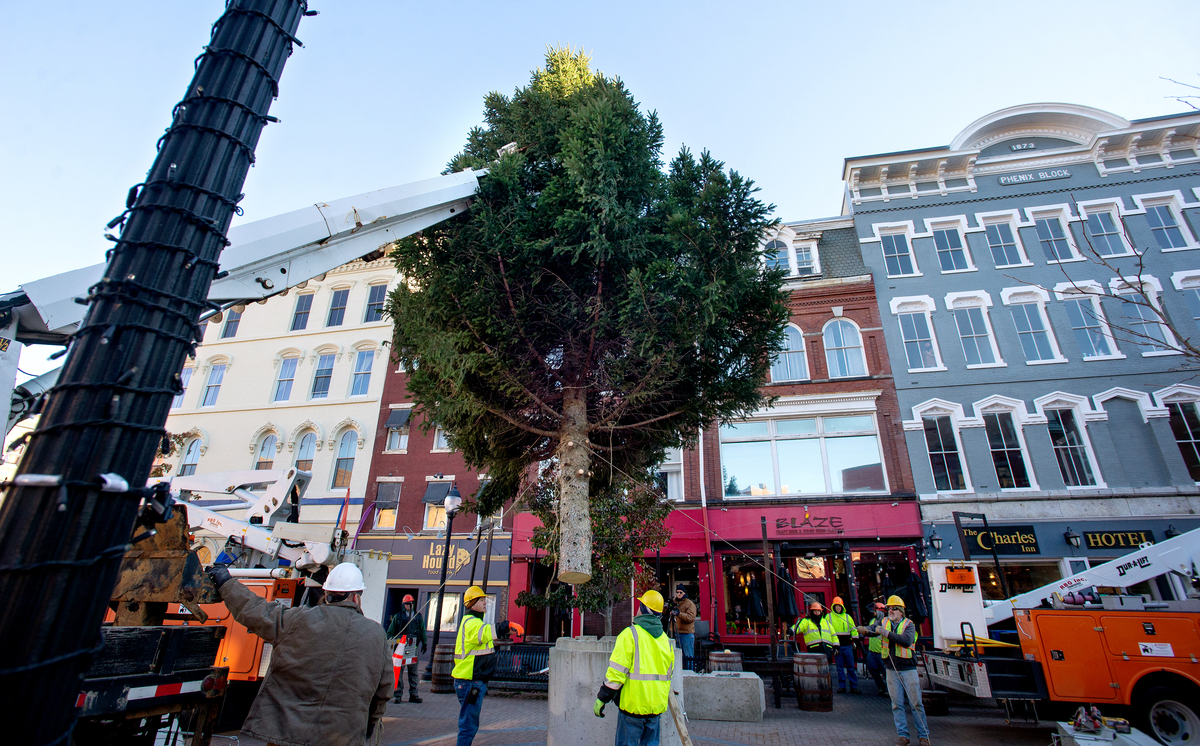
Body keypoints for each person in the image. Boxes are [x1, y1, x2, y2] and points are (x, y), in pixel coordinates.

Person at [207, 562, 392, 746]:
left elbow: (254, 611)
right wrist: (367, 725)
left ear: (326, 594)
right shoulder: (377, 635)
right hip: (342, 737)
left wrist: (225, 582)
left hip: (286, 735)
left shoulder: (299, 619)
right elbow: (383, 691)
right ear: (356, 597)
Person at [594, 589, 675, 746]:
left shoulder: (629, 635)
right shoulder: (666, 640)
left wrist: (602, 698)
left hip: (633, 709)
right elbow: (668, 675)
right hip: (655, 710)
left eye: (640, 605)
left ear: (644, 609)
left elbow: (616, 674)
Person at [452, 585, 520, 746]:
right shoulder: (472, 623)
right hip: (470, 682)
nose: (485, 603)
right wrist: (506, 626)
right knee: (468, 726)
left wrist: (505, 631)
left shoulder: (474, 623)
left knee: (469, 724)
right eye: (482, 600)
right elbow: (486, 632)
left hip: (471, 681)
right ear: (472, 603)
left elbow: (485, 635)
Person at [866, 595, 930, 746]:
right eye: (889, 608)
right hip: (891, 669)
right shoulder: (884, 622)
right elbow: (873, 629)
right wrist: (864, 630)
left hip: (908, 669)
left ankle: (923, 736)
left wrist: (885, 633)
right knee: (896, 704)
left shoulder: (909, 625)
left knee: (916, 704)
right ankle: (903, 736)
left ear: (901, 611)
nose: (891, 611)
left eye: (894, 608)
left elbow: (906, 640)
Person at [386, 593, 428, 703]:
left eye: (410, 604)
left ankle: (414, 694)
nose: (409, 606)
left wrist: (425, 642)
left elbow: (422, 630)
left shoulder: (418, 617)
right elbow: (390, 632)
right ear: (403, 605)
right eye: (407, 604)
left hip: (413, 646)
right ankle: (398, 694)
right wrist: (391, 643)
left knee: (413, 671)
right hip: (401, 646)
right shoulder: (398, 617)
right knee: (399, 671)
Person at [826, 596, 860, 694]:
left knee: (850, 667)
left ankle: (854, 686)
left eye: (839, 606)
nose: (838, 608)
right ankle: (842, 686)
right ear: (833, 606)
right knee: (839, 668)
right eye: (836, 606)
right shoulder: (829, 617)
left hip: (847, 645)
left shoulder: (847, 617)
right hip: (837, 646)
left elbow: (853, 629)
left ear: (842, 607)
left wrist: (855, 640)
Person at [791, 601, 838, 665]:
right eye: (815, 611)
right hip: (814, 649)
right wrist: (791, 630)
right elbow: (799, 627)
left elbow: (833, 635)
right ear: (812, 612)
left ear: (821, 612)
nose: (817, 613)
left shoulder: (826, 623)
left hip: (826, 649)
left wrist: (836, 646)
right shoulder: (807, 621)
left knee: (827, 668)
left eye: (818, 611)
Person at [857, 602, 888, 695]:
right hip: (872, 651)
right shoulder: (872, 621)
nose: (873, 613)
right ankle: (881, 687)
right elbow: (869, 630)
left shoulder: (886, 623)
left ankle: (889, 689)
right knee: (871, 668)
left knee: (886, 672)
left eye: (875, 611)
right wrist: (863, 629)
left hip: (882, 651)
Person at [670, 585, 697, 671]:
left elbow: (690, 617)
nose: (678, 594)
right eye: (677, 592)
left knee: (688, 656)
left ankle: (690, 673)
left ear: (684, 593)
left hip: (686, 633)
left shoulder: (689, 604)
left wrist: (679, 614)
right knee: (677, 656)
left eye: (680, 592)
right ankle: (679, 673)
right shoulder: (676, 603)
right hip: (677, 632)